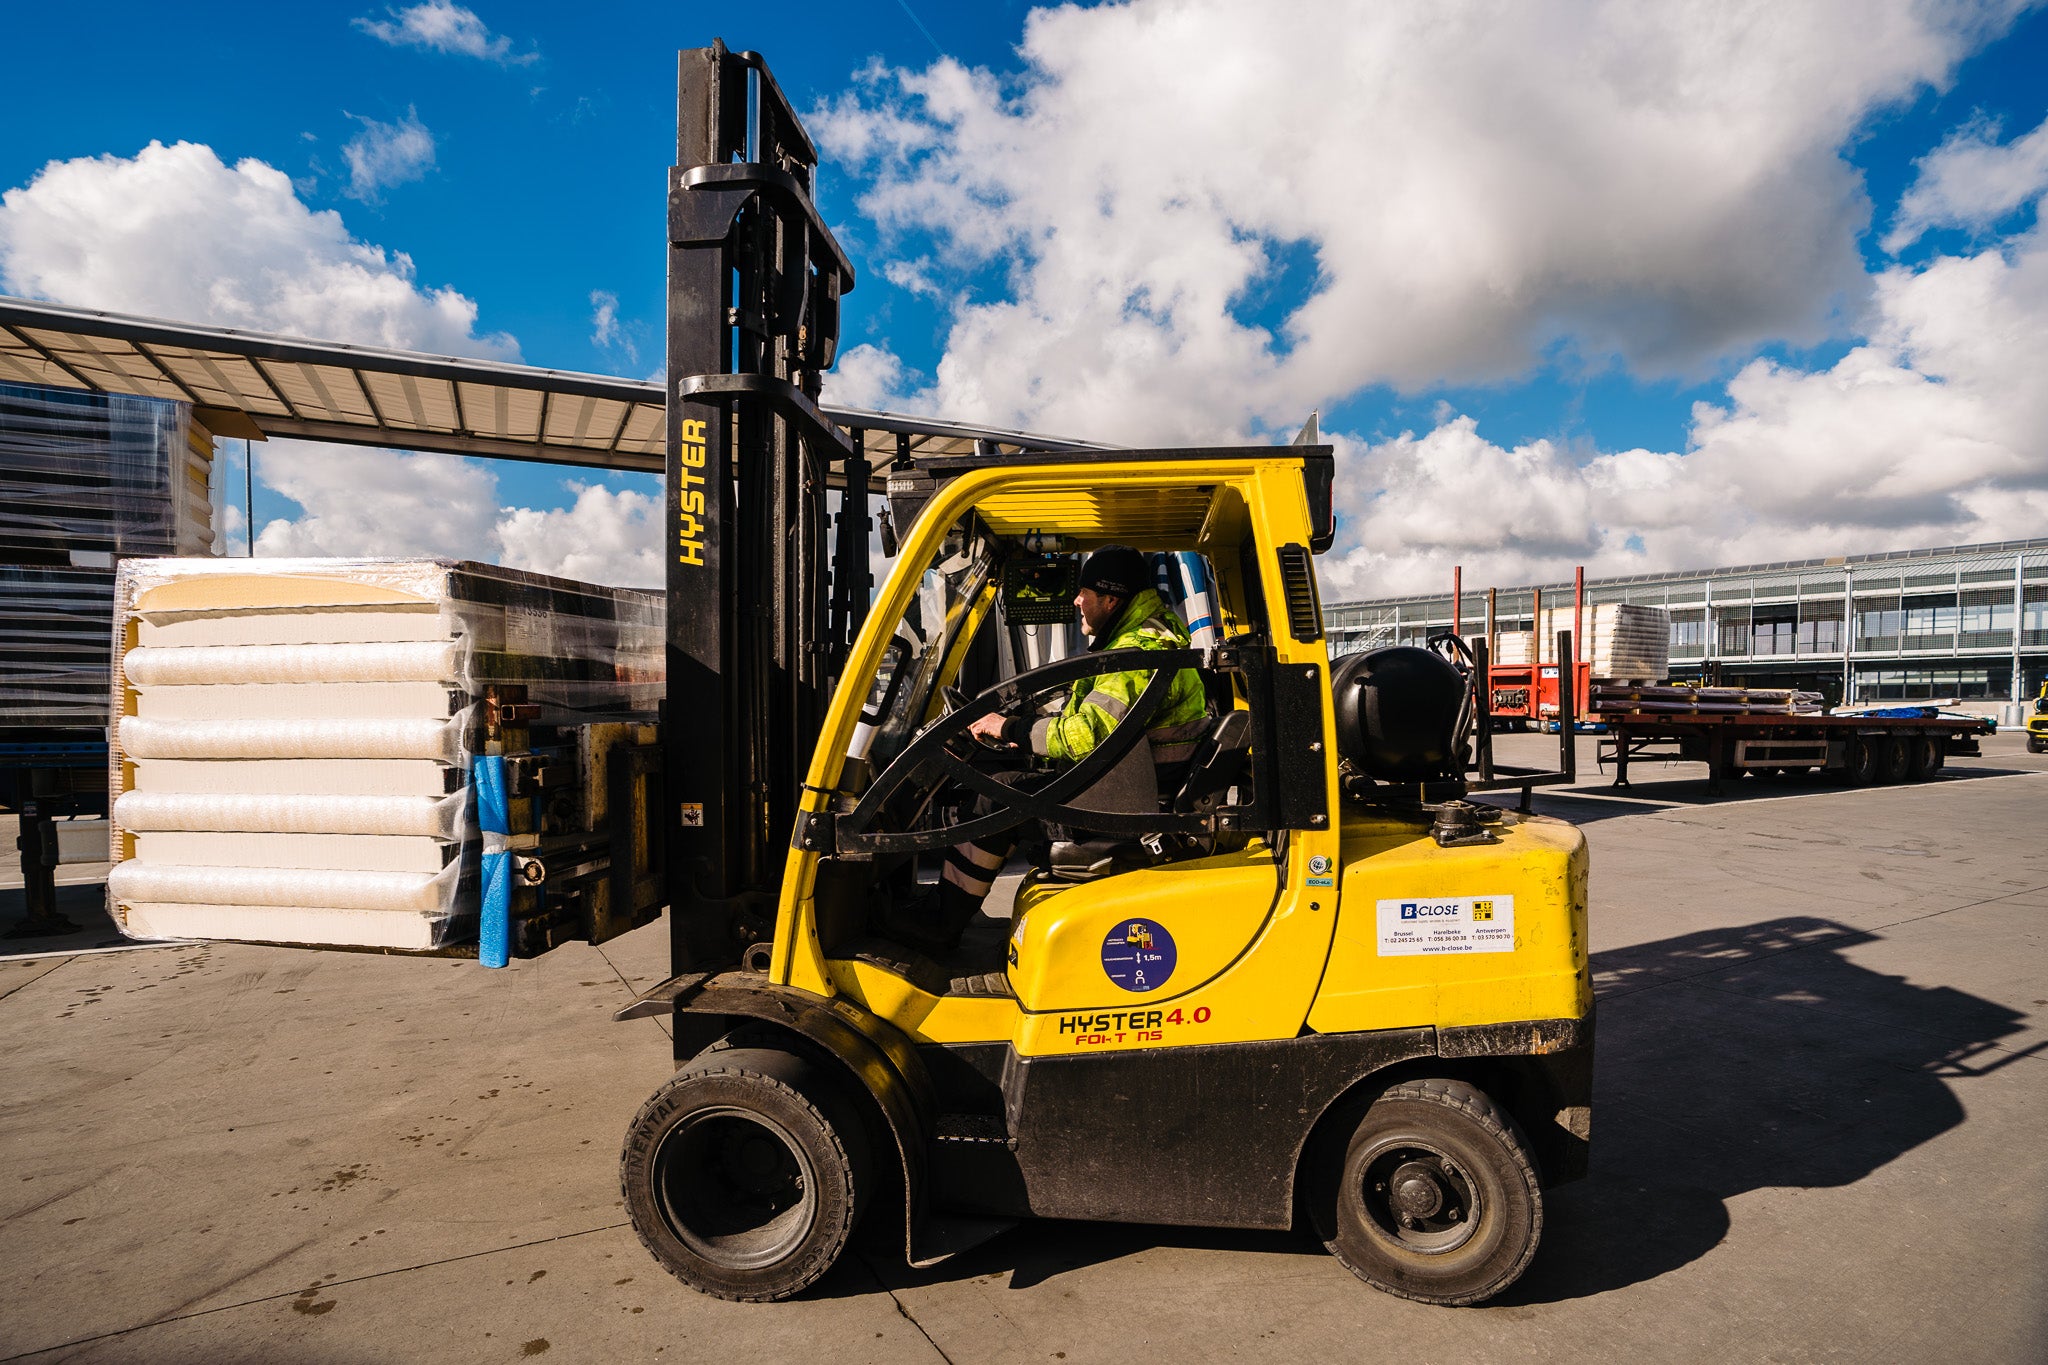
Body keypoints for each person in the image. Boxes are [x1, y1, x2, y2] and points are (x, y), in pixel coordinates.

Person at [920, 545, 1209, 945]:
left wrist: (1011, 729)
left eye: (1083, 593)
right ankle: (945, 912)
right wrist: (1025, 733)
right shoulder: (1137, 640)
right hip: (1130, 787)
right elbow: (1096, 723)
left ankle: (938, 926)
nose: (1075, 601)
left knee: (994, 798)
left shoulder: (1137, 654)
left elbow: (1087, 735)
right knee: (1001, 782)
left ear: (1110, 599)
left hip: (1127, 805)